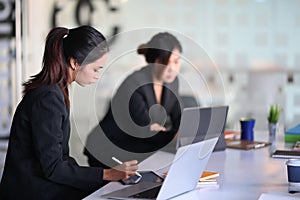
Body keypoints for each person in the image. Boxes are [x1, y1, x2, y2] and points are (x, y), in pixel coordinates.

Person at [0, 25, 138, 200]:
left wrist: (104, 176)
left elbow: (61, 159)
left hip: (41, 185)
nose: (97, 76)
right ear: (75, 63)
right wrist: (107, 174)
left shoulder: (56, 91)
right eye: (96, 69)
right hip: (32, 191)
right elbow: (54, 168)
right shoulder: (49, 99)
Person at [84, 32, 183, 168]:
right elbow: (145, 132)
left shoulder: (173, 82)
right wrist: (172, 134)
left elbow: (180, 117)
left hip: (138, 149)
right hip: (109, 148)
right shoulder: (133, 84)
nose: (171, 68)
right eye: (165, 62)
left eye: (176, 61)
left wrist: (182, 131)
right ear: (155, 61)